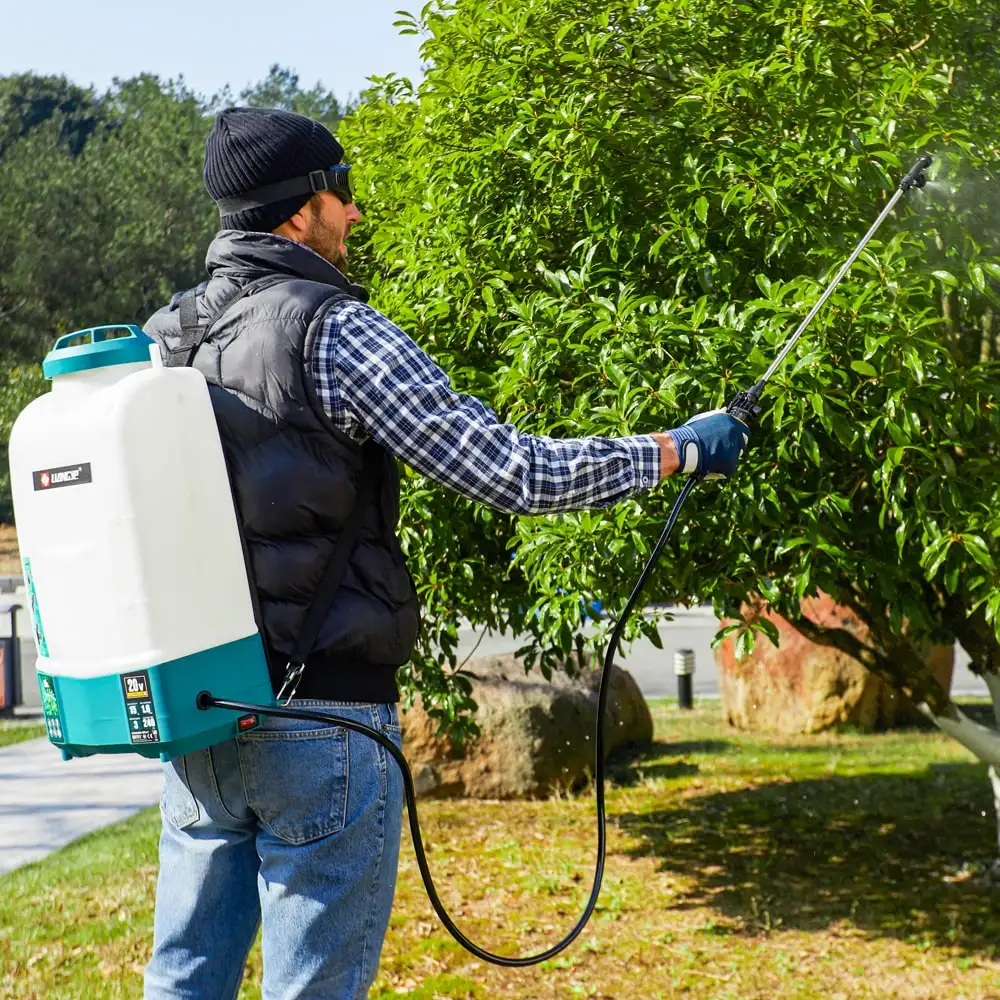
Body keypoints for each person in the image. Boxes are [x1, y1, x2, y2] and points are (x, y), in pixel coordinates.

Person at [142, 106, 749, 1000]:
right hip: (325, 724)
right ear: (302, 209)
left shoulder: (166, 338)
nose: (354, 215)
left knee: (183, 980)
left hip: (200, 724)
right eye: (342, 193)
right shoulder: (334, 328)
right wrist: (676, 449)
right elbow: (512, 472)